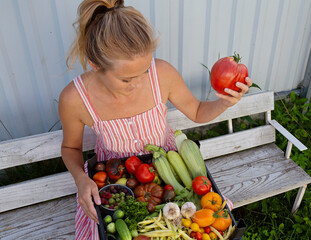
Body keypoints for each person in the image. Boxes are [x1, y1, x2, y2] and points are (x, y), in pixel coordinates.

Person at [59, 0, 252, 239]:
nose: (138, 83)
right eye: (127, 79)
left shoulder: (162, 74)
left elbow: (198, 111)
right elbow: (70, 148)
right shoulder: (75, 99)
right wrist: (80, 179)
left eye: (144, 71)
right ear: (95, 65)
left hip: (171, 170)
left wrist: (225, 101)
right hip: (118, 180)